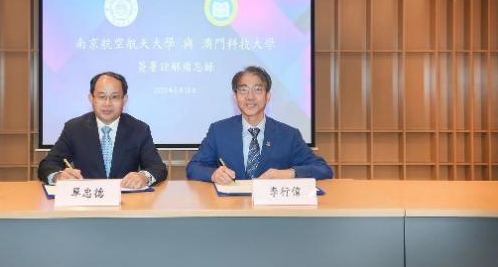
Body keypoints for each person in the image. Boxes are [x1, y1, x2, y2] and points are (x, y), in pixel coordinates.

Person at [186, 66, 332, 183]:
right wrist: (213, 174)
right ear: (235, 97)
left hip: (272, 209)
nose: (250, 97)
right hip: (229, 207)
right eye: (243, 90)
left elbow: (323, 169)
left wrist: (288, 174)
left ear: (268, 96)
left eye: (257, 90)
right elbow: (193, 167)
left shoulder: (289, 135)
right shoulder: (219, 131)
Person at [38, 72, 167, 188]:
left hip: (126, 200)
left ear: (124, 100)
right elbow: (48, 165)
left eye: (114, 97)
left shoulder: (139, 129)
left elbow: (157, 167)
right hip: (87, 200)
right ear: (91, 99)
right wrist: (58, 176)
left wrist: (143, 177)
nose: (107, 103)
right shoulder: (74, 128)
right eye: (101, 96)